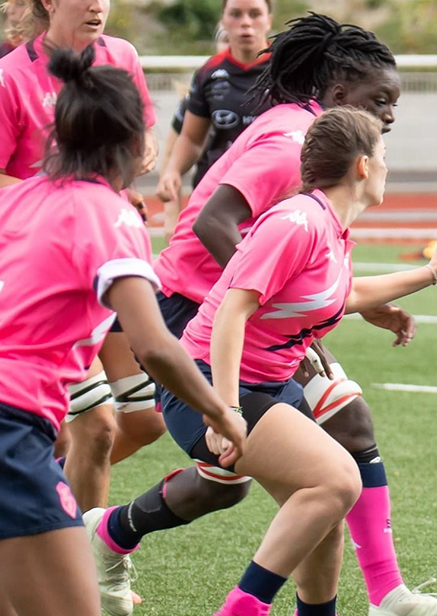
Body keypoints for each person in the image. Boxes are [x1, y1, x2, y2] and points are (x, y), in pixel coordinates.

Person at [89, 14, 437, 616]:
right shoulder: (292, 152)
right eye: (382, 102)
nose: (392, 118)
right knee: (317, 469)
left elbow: (315, 276)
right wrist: (258, 321)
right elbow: (221, 227)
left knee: (308, 472)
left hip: (245, 324)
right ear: (342, 101)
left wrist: (410, 281)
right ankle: (251, 606)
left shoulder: (324, 205)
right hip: (198, 309)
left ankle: (357, 607)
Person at [151, 106, 437, 616]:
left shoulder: (331, 228)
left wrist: (432, 271)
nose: (388, 165)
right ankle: (240, 614)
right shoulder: (297, 221)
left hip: (265, 386)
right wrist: (224, 412)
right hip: (207, 388)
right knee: (339, 479)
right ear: (363, 166)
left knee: (324, 516)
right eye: (384, 154)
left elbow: (346, 294)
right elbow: (232, 310)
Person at [0, 46, 244, 616]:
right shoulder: (112, 217)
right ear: (136, 143)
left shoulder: (19, 197)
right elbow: (155, 345)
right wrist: (222, 413)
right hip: (11, 429)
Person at [0, 0, 164, 514]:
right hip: (47, 270)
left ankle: (44, 514)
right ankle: (87, 564)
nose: (98, 5)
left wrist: (122, 172)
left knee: (145, 418)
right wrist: (71, 195)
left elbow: (142, 143)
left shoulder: (122, 56)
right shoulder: (9, 78)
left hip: (108, 252)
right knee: (91, 428)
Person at [157, 0, 272, 235]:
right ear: (223, 21)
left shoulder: (287, 69)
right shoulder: (208, 72)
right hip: (215, 196)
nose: (246, 23)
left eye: (255, 14)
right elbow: (190, 138)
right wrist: (173, 171)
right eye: (236, 15)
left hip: (270, 195)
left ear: (269, 20)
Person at [159, 25, 230, 237]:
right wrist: (172, 216)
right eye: (225, 39)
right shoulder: (199, 96)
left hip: (260, 201)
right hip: (208, 201)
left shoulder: (271, 89)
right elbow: (171, 155)